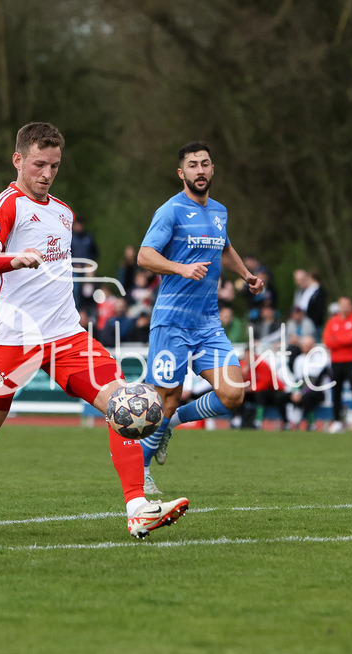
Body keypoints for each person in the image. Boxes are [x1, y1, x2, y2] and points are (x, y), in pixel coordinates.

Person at [0, 122, 189, 541]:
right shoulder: (6, 205)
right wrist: (14, 259)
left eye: (54, 165)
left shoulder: (64, 213)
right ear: (18, 160)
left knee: (123, 404)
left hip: (66, 336)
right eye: (38, 164)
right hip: (13, 340)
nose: (47, 173)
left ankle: (137, 507)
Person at [132, 140, 265, 493]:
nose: (200, 170)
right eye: (193, 165)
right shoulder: (170, 211)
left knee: (234, 392)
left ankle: (172, 423)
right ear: (182, 173)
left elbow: (225, 246)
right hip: (171, 321)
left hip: (207, 322)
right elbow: (145, 256)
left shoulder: (219, 211)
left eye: (205, 164)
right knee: (165, 398)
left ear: (212, 169)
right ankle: (141, 474)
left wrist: (245, 276)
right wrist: (179, 268)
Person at [323, 296, 352, 434]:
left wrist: (337, 338)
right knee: (336, 392)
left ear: (351, 306)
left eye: (347, 305)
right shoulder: (332, 322)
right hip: (336, 362)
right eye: (341, 305)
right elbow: (327, 341)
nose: (344, 308)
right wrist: (341, 339)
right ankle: (336, 421)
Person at [70, 217, 99, 308]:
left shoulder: (89, 238)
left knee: (89, 291)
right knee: (76, 289)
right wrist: (74, 264)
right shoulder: (70, 238)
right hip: (74, 269)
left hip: (87, 270)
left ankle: (88, 310)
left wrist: (91, 262)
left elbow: (95, 253)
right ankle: (77, 309)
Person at [292, 269, 326, 334]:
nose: (300, 282)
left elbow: (319, 311)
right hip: (300, 325)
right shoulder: (298, 292)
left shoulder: (316, 291)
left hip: (314, 326)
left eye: (302, 279)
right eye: (298, 280)